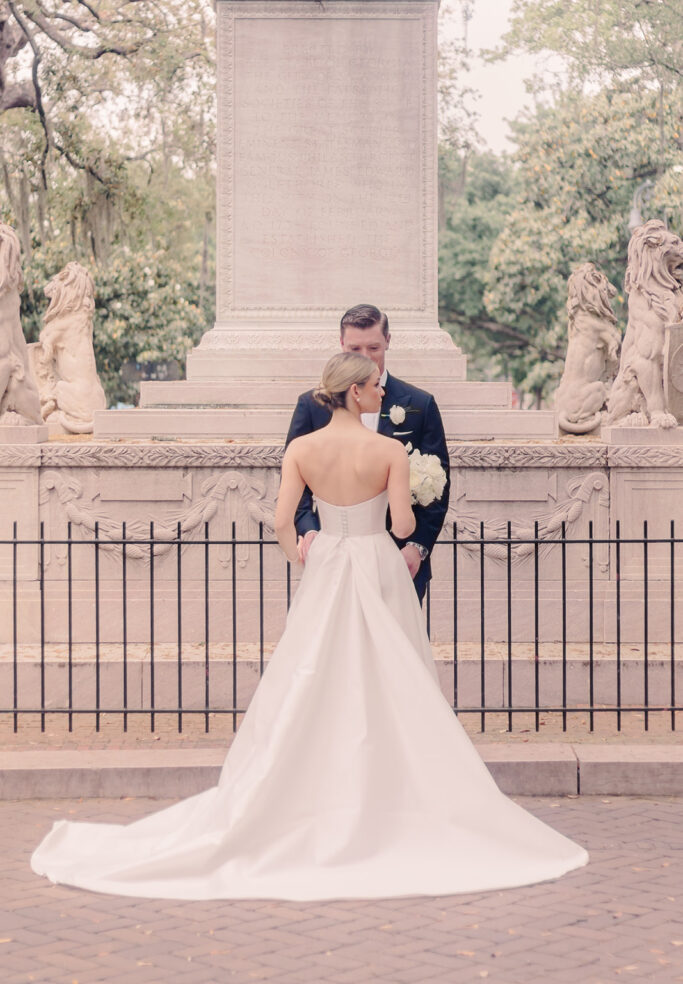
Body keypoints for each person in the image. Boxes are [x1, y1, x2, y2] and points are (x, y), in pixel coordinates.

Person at [31, 353, 587, 901]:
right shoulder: (389, 450)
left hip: (326, 566)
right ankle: (390, 790)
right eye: (372, 385)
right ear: (354, 391)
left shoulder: (302, 448)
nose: (380, 391)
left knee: (314, 670)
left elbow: (282, 520)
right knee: (391, 675)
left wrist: (305, 554)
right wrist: (402, 501)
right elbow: (402, 525)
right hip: (375, 563)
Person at [285, 304, 449, 603]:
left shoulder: (420, 404)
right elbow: (294, 487)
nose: (364, 357)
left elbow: (439, 486)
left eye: (373, 348)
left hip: (400, 561)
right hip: (330, 559)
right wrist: (309, 533)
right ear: (341, 344)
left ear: (388, 341)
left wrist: (417, 547)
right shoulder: (310, 405)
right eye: (354, 348)